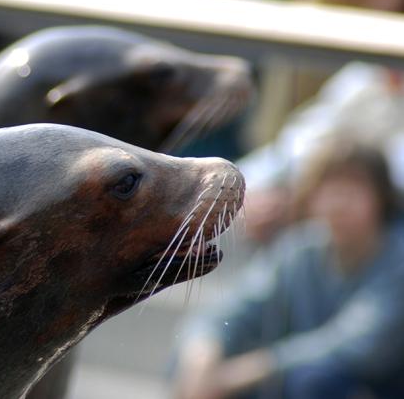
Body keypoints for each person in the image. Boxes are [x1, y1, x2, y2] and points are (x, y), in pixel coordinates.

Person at [173, 140, 404, 398]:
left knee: (314, 381)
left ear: (381, 197)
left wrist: (258, 367)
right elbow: (239, 307)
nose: (339, 204)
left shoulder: (396, 258)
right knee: (191, 361)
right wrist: (204, 351)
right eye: (330, 191)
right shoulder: (299, 250)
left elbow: (358, 343)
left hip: (373, 386)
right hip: (289, 372)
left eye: (352, 191)